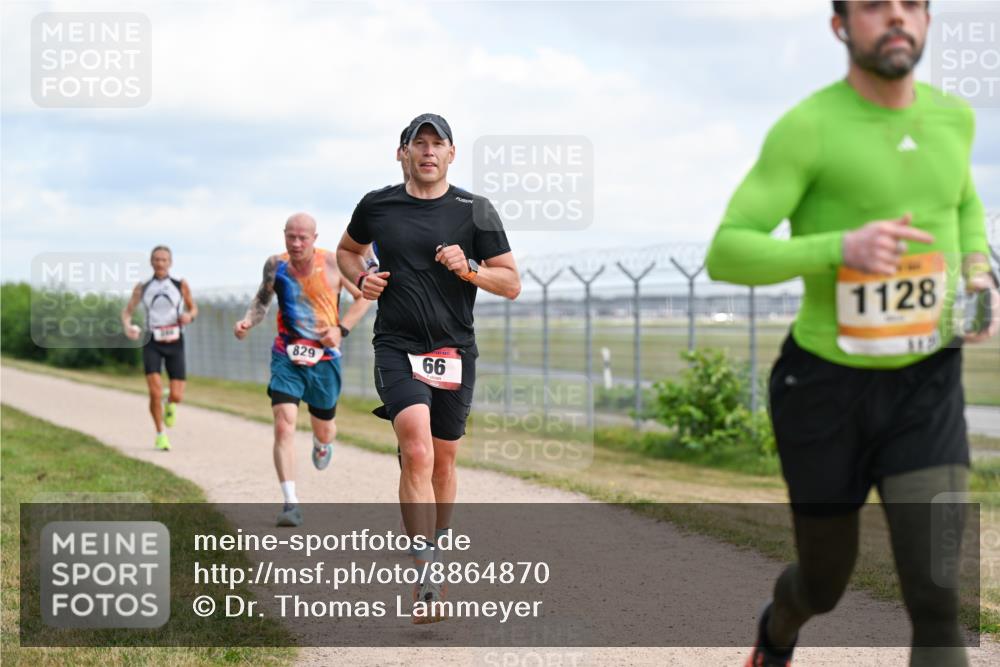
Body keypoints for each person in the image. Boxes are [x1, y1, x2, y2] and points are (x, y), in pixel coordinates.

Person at [706, 2, 999, 666]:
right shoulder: (807, 128)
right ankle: (776, 632)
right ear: (840, 26)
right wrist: (841, 248)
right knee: (824, 581)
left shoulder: (954, 117)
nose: (897, 17)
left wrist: (979, 272)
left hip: (926, 384)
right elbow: (727, 251)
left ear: (927, 21)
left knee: (936, 594)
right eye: (874, 5)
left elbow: (962, 200)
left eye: (912, 4)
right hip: (824, 388)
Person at [337, 113, 521, 621]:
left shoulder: (475, 211)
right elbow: (348, 252)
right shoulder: (377, 206)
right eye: (418, 143)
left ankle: (435, 546)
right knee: (416, 449)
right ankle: (426, 579)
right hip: (396, 345)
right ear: (402, 153)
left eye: (437, 143)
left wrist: (470, 268)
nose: (428, 151)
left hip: (454, 350)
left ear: (452, 154)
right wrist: (361, 280)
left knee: (442, 461)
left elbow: (511, 283)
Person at [234, 213, 372, 527]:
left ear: (314, 238)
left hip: (324, 357)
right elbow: (262, 301)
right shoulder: (275, 265)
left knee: (324, 428)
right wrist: (247, 321)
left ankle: (322, 444)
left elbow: (364, 297)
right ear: (284, 235)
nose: (296, 243)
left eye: (302, 238)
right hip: (286, 353)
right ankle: (290, 503)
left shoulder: (334, 262)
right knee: (284, 425)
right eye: (290, 237)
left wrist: (341, 329)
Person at [122, 245, 198, 451]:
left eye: (164, 260)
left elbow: (193, 308)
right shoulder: (143, 287)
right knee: (154, 392)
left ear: (170, 263)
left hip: (175, 341)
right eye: (156, 259)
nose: (160, 263)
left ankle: (170, 402)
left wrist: (189, 316)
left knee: (178, 395)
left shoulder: (180, 284)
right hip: (152, 341)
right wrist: (128, 326)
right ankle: (160, 434)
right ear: (151, 262)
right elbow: (127, 312)